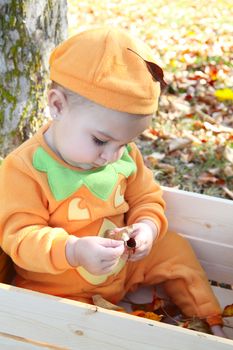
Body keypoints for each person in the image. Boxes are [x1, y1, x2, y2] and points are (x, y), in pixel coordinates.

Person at [0, 27, 225, 336]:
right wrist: (74, 250)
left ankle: (210, 322)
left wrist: (145, 228)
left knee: (174, 247)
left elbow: (147, 198)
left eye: (125, 143)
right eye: (100, 141)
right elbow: (20, 236)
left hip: (125, 266)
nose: (112, 156)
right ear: (57, 105)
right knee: (59, 323)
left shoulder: (123, 154)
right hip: (58, 285)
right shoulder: (24, 168)